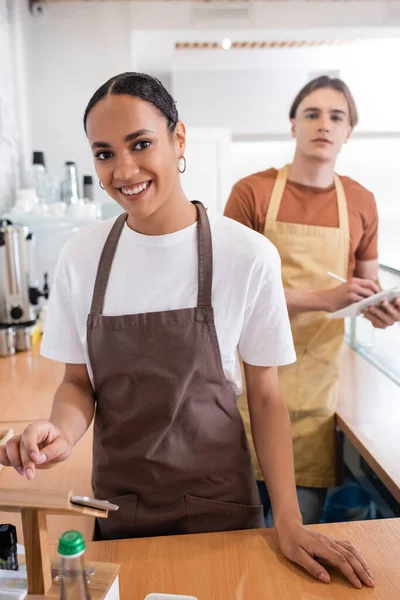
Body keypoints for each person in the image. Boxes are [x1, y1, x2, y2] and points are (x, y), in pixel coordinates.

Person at [0, 73, 374, 589]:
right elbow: (78, 383)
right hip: (119, 509)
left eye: (141, 144)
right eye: (104, 153)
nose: (124, 170)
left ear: (179, 139)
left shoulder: (246, 255)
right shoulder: (80, 258)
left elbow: (266, 399)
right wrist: (60, 432)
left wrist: (289, 521)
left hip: (219, 509)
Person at [224, 76, 400, 527]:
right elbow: (225, 295)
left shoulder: (361, 201)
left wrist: (382, 310)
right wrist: (325, 297)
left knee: (297, 542)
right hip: (243, 391)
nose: (324, 124)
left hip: (313, 397)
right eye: (312, 114)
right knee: (236, 547)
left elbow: (366, 289)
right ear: (292, 124)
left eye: (336, 116)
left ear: (348, 132)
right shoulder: (252, 192)